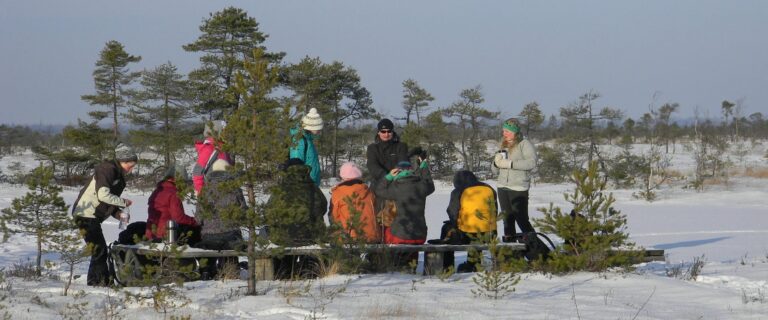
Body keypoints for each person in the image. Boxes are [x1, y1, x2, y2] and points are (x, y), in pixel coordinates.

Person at [72, 144, 136, 286]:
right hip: (85, 213)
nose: (131, 169)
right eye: (130, 165)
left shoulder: (118, 176)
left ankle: (98, 282)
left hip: (92, 215)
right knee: (99, 251)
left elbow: (107, 202)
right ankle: (100, 283)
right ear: (122, 161)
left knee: (99, 251)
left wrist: (118, 213)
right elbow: (103, 195)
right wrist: (123, 202)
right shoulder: (107, 169)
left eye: (133, 166)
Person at [491, 118, 538, 242]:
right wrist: (496, 164)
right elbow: (495, 170)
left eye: (507, 131)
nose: (504, 134)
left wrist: (510, 164)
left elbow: (531, 163)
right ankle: (510, 253)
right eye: (503, 131)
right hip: (502, 187)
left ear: (515, 132)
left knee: (522, 220)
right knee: (507, 220)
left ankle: (536, 251)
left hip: (518, 188)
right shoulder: (502, 145)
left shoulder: (524, 144)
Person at [443, 170, 498, 272]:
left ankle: (447, 266)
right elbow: (495, 211)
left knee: (446, 229)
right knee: (478, 230)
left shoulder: (458, 191)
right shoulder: (489, 189)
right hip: (490, 233)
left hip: (467, 235)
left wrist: (455, 225)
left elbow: (452, 212)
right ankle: (473, 263)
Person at [265, 158, 328, 247]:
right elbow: (323, 207)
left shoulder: (281, 188)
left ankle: (283, 261)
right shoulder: (313, 187)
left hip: (282, 237)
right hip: (312, 236)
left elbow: (268, 212)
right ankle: (312, 261)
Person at [375, 159, 435, 245]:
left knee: (385, 232)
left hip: (400, 236)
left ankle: (393, 258)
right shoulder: (422, 186)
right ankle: (412, 258)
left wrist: (389, 177)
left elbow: (379, 191)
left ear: (397, 172)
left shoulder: (396, 188)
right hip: (420, 236)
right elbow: (430, 184)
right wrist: (423, 167)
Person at [145, 165, 200, 244]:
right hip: (168, 236)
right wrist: (195, 221)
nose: (184, 186)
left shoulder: (157, 191)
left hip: (151, 235)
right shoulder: (173, 193)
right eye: (183, 182)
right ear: (178, 180)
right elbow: (179, 218)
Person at [329, 162, 380, 243]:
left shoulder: (338, 193)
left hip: (348, 238)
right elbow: (376, 211)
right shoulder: (369, 191)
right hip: (372, 236)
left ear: (342, 176)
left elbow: (333, 217)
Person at [366, 118, 409, 211]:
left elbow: (403, 162)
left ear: (392, 132)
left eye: (389, 131)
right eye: (383, 131)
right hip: (378, 186)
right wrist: (386, 177)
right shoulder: (372, 148)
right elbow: (372, 165)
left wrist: (395, 175)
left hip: (397, 185)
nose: (386, 134)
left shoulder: (401, 146)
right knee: (377, 216)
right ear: (378, 132)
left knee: (398, 217)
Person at [192, 120, 233, 195]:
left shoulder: (223, 147)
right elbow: (197, 171)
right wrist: (202, 194)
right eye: (224, 130)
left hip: (226, 192)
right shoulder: (209, 148)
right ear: (217, 131)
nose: (226, 133)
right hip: (213, 194)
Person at [290, 107, 324, 186]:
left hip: (311, 183)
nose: (319, 130)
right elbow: (296, 165)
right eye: (318, 128)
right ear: (311, 127)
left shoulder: (308, 139)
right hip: (304, 185)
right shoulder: (300, 141)